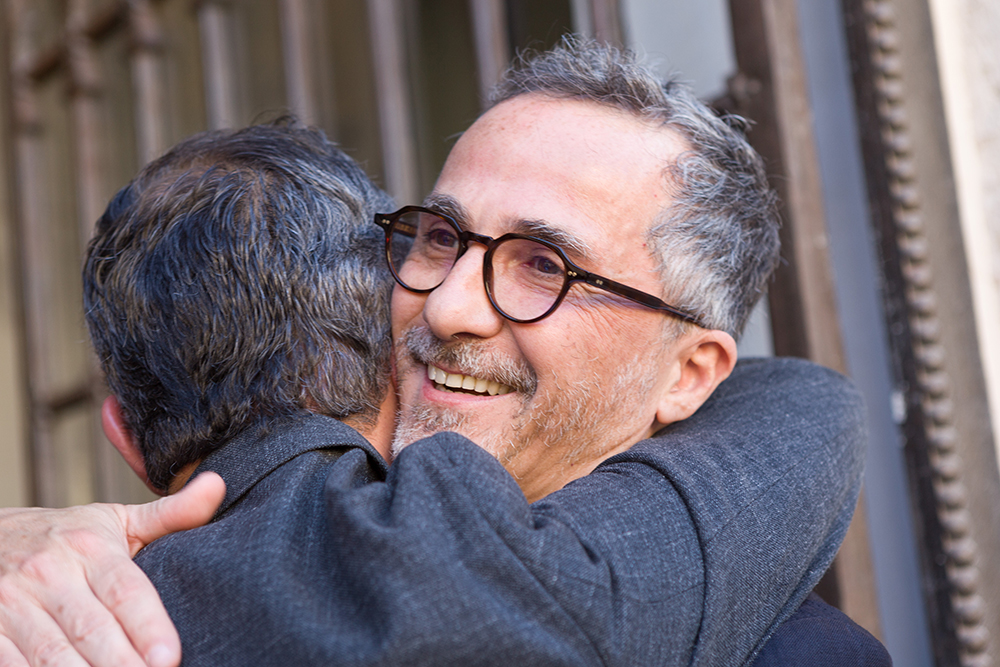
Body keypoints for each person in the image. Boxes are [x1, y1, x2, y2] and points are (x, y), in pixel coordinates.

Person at [0, 39, 887, 666]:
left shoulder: (800, 654)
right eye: (439, 237)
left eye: (545, 265)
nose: (450, 305)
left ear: (688, 374)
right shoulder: (80, 611)